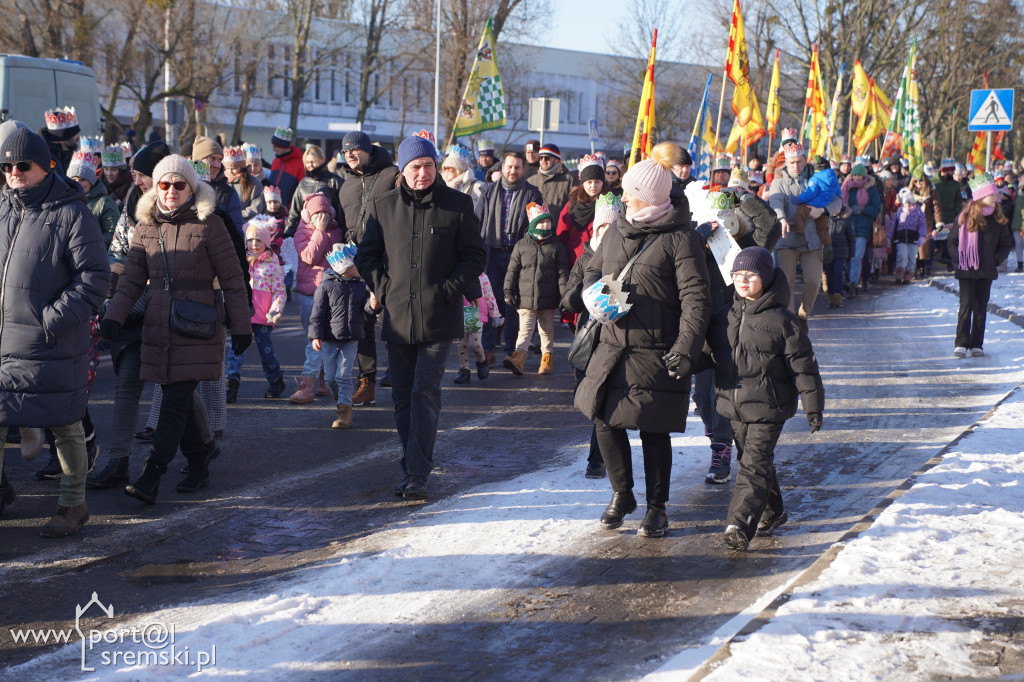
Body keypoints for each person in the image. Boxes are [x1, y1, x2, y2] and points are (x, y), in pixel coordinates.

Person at [574, 144, 712, 538]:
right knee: (602, 417)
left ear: (648, 197)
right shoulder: (618, 227)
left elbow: (695, 301)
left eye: (630, 191)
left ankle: (657, 507)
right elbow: (592, 268)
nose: (623, 196)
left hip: (657, 350)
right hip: (612, 344)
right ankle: (623, 494)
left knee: (653, 431)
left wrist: (685, 350)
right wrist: (593, 295)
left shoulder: (681, 239)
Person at [101, 154, 252, 504]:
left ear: (191, 187)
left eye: (179, 184)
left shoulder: (211, 224)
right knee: (177, 401)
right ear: (156, 186)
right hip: (157, 324)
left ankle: (152, 474)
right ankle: (200, 460)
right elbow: (132, 280)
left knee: (174, 400)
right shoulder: (145, 225)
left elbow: (233, 279)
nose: (171, 190)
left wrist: (242, 327)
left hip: (197, 325)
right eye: (164, 184)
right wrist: (114, 316)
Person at [355, 133, 486, 501]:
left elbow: (475, 256)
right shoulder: (384, 207)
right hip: (397, 317)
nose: (423, 173)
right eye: (415, 167)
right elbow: (366, 256)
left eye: (429, 165)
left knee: (424, 393)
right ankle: (411, 462)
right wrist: (384, 290)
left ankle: (417, 474)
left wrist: (448, 290)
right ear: (403, 169)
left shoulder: (457, 205)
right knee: (401, 398)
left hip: (438, 320)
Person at [0, 126, 109, 535]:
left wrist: (53, 320)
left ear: (44, 165)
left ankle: (72, 505)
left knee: (64, 424)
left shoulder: (71, 211)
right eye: (6, 165)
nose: (13, 171)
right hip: (5, 340)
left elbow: (95, 278)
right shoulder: (4, 206)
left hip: (51, 340)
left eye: (21, 164)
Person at [702, 247, 824, 551]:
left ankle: (740, 522)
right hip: (734, 405)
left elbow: (804, 365)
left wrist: (813, 405)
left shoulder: (784, 321)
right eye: (737, 274)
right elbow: (705, 355)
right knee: (753, 460)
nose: (743, 280)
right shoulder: (723, 317)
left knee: (752, 464)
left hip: (770, 405)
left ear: (766, 278)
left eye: (751, 274)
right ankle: (772, 511)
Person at [337, 131, 400, 405]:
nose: (350, 154)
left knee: (395, 324)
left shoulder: (392, 175)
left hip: (390, 262)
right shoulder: (345, 185)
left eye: (355, 150)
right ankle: (367, 383)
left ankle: (400, 376)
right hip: (357, 263)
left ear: (368, 150)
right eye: (345, 151)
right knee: (362, 326)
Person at [561, 192, 620, 479]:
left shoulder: (628, 258)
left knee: (605, 398)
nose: (605, 233)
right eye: (601, 228)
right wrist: (582, 293)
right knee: (587, 393)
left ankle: (596, 459)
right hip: (588, 335)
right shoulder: (585, 258)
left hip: (616, 336)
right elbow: (568, 297)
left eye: (612, 227)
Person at [476, 151, 543, 365]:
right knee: (489, 301)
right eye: (509, 166)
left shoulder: (533, 194)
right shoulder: (488, 191)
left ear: (523, 169)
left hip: (518, 257)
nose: (512, 171)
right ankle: (487, 349)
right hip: (492, 254)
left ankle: (510, 351)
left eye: (517, 167)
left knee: (513, 304)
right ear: (502, 168)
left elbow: (537, 228)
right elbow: (476, 223)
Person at [769, 143, 842, 322]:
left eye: (799, 161)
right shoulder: (779, 181)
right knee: (787, 281)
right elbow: (775, 201)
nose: (796, 166)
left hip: (813, 238)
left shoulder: (821, 176)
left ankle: (803, 314)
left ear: (805, 160)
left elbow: (838, 201)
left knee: (813, 281)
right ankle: (790, 319)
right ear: (786, 162)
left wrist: (824, 210)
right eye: (792, 162)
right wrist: (781, 218)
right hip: (787, 238)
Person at [947, 172, 1013, 358]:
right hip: (966, 269)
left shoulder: (999, 220)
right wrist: (959, 258)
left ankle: (977, 344)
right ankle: (961, 343)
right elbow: (951, 242)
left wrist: (996, 260)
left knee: (981, 308)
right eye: (992, 194)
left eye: (995, 194)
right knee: (966, 305)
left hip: (986, 270)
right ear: (981, 197)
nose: (996, 197)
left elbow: (1006, 245)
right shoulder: (964, 218)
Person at [290, 192, 344, 403]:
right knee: (313, 339)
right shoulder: (301, 233)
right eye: (317, 214)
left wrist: (324, 231)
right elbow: (310, 257)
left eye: (325, 214)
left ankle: (310, 384)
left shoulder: (337, 231)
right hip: (309, 294)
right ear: (308, 216)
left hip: (331, 293)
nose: (322, 218)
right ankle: (320, 381)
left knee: (318, 340)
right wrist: (319, 232)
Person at [226, 216, 287, 402]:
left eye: (258, 240)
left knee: (265, 351)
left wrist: (276, 310)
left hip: (262, 317)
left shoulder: (272, 265)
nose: (253, 244)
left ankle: (276, 379)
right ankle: (231, 384)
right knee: (236, 351)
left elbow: (279, 291)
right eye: (250, 240)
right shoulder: (240, 262)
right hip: (242, 314)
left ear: (266, 243)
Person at [503, 202, 569, 376]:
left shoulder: (557, 246)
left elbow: (562, 273)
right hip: (525, 298)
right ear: (533, 224)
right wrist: (508, 291)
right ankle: (519, 358)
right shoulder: (522, 245)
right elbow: (512, 271)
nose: (545, 225)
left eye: (548, 222)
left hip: (548, 297)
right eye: (541, 222)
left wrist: (564, 295)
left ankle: (546, 359)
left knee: (546, 330)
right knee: (525, 329)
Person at [309, 244, 369, 430]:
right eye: (357, 264)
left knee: (343, 375)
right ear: (345, 267)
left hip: (350, 339)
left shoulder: (361, 287)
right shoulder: (325, 287)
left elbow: (367, 310)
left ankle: (345, 413)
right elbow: (317, 314)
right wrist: (315, 336)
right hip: (329, 340)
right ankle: (340, 396)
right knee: (330, 379)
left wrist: (373, 305)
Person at [284, 144, 344, 238]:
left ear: (322, 159)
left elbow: (343, 213)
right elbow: (294, 213)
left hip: (331, 234)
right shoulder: (303, 183)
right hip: (306, 235)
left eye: (313, 162)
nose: (310, 165)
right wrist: (288, 234)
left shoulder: (335, 181)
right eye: (307, 162)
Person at [556, 155, 605, 265]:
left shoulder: (610, 205)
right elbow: (561, 237)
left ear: (603, 181)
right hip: (573, 261)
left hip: (600, 262)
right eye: (589, 182)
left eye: (597, 181)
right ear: (582, 182)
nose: (593, 186)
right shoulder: (572, 205)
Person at [843, 163, 883, 295]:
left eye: (859, 175)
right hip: (846, 226)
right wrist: (847, 209)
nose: (856, 178)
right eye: (854, 175)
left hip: (863, 228)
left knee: (856, 257)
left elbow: (877, 208)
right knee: (846, 257)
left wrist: (863, 209)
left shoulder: (871, 189)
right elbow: (839, 203)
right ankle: (849, 280)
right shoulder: (846, 188)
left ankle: (854, 284)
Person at [455, 273, 501, 385]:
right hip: (459, 311)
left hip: (476, 310)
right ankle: (464, 370)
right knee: (462, 343)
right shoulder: (455, 273)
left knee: (475, 342)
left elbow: (489, 296)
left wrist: (494, 314)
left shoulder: (482, 277)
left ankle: (482, 362)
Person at [192, 135, 244, 235]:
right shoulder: (180, 188)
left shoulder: (228, 194)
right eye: (211, 158)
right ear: (197, 160)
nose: (217, 165)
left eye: (219, 160)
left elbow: (237, 234)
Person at [67, 152, 119, 247]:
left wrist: (87, 244)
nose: (77, 183)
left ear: (91, 182)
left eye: (82, 179)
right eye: (73, 179)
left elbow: (113, 234)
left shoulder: (105, 203)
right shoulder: (64, 201)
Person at [790, 154, 840, 251]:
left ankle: (799, 236)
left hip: (812, 205)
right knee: (823, 229)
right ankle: (828, 246)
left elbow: (810, 194)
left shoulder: (815, 179)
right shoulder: (834, 178)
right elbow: (838, 193)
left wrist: (796, 199)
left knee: (799, 214)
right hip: (825, 208)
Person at [886, 187, 928, 285]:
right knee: (901, 255)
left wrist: (922, 236)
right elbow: (893, 225)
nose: (908, 205)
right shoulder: (899, 212)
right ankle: (899, 273)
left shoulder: (918, 213)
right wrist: (889, 237)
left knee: (911, 257)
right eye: (906, 203)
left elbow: (922, 225)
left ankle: (909, 275)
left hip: (913, 238)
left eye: (910, 203)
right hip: (900, 238)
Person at [527, 143, 578, 223]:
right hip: (536, 231)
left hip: (560, 231)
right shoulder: (531, 181)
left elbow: (575, 208)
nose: (543, 160)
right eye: (540, 158)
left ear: (557, 159)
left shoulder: (570, 179)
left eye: (547, 158)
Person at [908, 174, 942, 277]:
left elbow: (936, 207)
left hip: (926, 222)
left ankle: (922, 267)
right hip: (911, 222)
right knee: (913, 246)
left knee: (923, 246)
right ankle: (913, 268)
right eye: (916, 181)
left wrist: (939, 222)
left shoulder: (931, 191)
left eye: (920, 181)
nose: (918, 183)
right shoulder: (909, 192)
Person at [933, 158, 963, 272]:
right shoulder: (937, 183)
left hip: (950, 216)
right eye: (946, 170)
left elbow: (958, 200)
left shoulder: (955, 185)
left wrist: (956, 212)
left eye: (950, 171)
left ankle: (949, 262)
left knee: (949, 241)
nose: (948, 173)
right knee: (937, 240)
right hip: (938, 217)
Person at [223, 146, 267, 220]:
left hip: (247, 223)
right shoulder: (223, 181)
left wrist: (233, 215)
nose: (230, 172)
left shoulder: (254, 182)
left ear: (242, 167)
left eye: (234, 168)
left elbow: (256, 208)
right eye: (228, 168)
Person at [825, 205, 856, 308]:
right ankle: (831, 297)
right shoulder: (825, 219)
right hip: (828, 251)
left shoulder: (845, 220)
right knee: (829, 275)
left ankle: (838, 297)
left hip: (841, 251)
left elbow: (851, 237)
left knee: (837, 274)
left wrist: (851, 253)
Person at [268, 126, 304, 208]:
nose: (273, 150)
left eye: (275, 147)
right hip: (272, 208)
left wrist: (292, 208)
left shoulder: (300, 163)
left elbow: (302, 190)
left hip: (289, 211)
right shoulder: (275, 161)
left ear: (283, 146)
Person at [38, 105, 81, 174]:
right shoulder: (43, 158)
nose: (78, 137)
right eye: (75, 134)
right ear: (65, 136)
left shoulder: (72, 156)